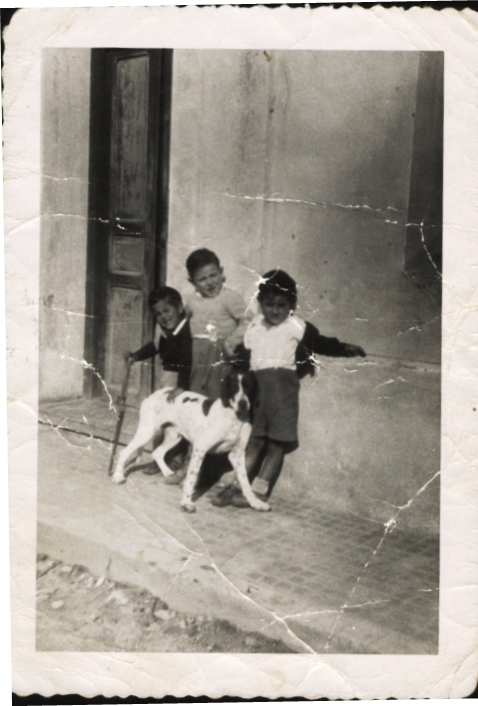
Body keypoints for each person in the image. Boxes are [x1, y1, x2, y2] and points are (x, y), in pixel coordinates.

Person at [212, 269, 366, 509]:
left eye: (281, 305)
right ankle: (236, 485)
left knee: (276, 444)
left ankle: (259, 490)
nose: (275, 311)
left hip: (283, 397)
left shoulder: (297, 327)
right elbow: (244, 359)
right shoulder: (255, 327)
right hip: (258, 397)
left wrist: (345, 348)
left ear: (291, 305)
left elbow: (321, 343)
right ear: (261, 303)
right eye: (269, 304)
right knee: (253, 442)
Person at [125, 286, 192, 479]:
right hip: (167, 378)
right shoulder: (164, 331)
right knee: (161, 420)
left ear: (179, 308)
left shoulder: (185, 331)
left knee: (179, 421)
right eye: (158, 314)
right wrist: (136, 356)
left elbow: (187, 362)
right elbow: (155, 347)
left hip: (181, 381)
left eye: (167, 311)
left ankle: (176, 458)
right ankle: (159, 457)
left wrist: (181, 386)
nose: (163, 317)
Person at [185, 248, 250, 400]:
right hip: (197, 358)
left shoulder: (230, 298)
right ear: (192, 282)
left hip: (220, 356)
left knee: (218, 397)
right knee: (196, 397)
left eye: (213, 275)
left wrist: (231, 342)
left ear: (221, 272)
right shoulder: (192, 300)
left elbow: (247, 321)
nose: (209, 282)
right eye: (202, 279)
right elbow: (182, 322)